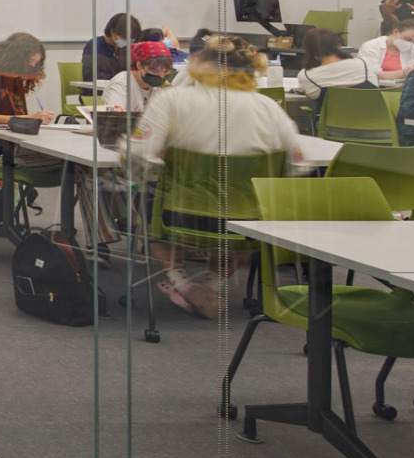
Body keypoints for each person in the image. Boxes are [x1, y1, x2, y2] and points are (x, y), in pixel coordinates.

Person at [128, 35, 302, 319]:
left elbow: (138, 155)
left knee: (145, 200)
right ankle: (211, 285)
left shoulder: (171, 101)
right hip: (243, 223)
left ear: (201, 65)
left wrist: (146, 174)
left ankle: (183, 284)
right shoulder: (270, 109)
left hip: (178, 216)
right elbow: (297, 165)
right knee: (253, 212)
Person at [0, 32, 61, 174]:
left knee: (74, 160)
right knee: (74, 162)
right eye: (30, 61)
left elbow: (18, 118)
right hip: (2, 151)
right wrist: (31, 118)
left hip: (17, 144)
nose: (32, 66)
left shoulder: (15, 77)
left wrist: (33, 121)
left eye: (36, 63)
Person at [296, 25, 373, 105]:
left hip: (333, 113)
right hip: (371, 113)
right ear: (339, 45)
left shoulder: (307, 76)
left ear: (308, 50)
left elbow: (312, 96)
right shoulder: (365, 65)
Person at [99, 40, 173, 111]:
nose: (161, 76)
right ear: (139, 65)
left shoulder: (159, 88)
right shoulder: (121, 83)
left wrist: (169, 88)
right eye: (155, 70)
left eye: (166, 71)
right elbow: (115, 115)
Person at [358, 16, 414, 84]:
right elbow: (375, 75)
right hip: (375, 89)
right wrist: (405, 72)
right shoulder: (370, 47)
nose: (410, 44)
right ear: (396, 32)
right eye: (408, 39)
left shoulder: (412, 50)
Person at [79, 12, 143, 82]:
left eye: (132, 39)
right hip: (99, 88)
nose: (128, 42)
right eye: (125, 37)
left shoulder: (126, 49)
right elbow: (90, 76)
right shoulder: (94, 46)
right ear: (112, 32)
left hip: (121, 87)